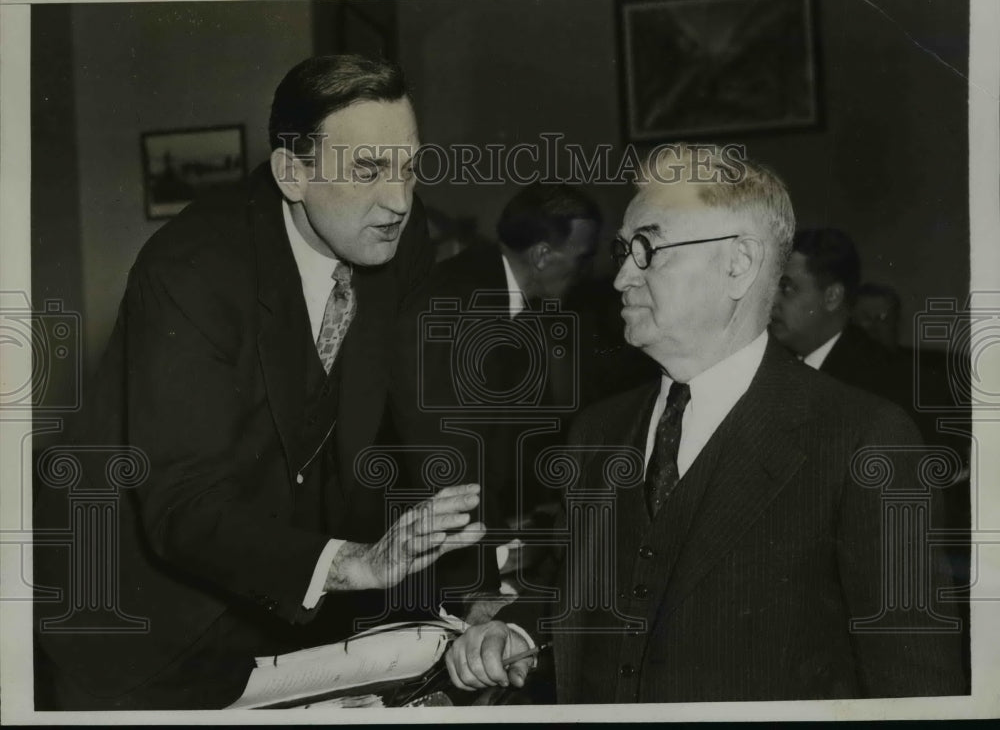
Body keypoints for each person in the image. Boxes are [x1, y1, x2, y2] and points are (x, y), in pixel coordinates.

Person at [34, 54, 485, 709]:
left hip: (280, 603)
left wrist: (475, 587)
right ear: (292, 173)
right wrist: (350, 565)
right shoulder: (190, 268)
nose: (399, 199)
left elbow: (424, 416)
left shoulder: (395, 237)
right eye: (367, 170)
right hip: (133, 615)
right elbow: (184, 504)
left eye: (409, 167)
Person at [443, 144, 965, 702]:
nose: (621, 277)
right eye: (623, 250)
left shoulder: (861, 437)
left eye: (647, 248)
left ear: (738, 263)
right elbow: (587, 583)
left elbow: (915, 685)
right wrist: (516, 626)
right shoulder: (597, 431)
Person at [392, 183, 602, 531]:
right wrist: (491, 557)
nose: (587, 273)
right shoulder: (453, 307)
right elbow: (449, 467)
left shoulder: (517, 306)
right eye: (581, 260)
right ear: (541, 256)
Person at [769, 228, 908, 408]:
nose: (771, 300)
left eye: (787, 288)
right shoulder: (773, 363)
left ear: (832, 297)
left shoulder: (880, 386)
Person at [852, 282, 903, 352]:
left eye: (882, 318)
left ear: (897, 323)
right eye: (865, 318)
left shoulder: (915, 361)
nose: (873, 327)